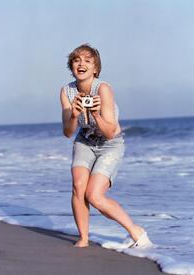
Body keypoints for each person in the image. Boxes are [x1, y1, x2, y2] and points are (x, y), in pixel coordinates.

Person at [60, 44, 152, 248]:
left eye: (87, 60)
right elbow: (67, 132)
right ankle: (84, 238)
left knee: (94, 195)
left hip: (110, 144)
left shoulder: (103, 89)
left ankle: (136, 231)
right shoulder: (67, 92)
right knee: (78, 185)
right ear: (71, 66)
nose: (81, 64)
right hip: (85, 140)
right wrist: (74, 115)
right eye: (76, 60)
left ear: (96, 68)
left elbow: (110, 131)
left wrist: (94, 113)